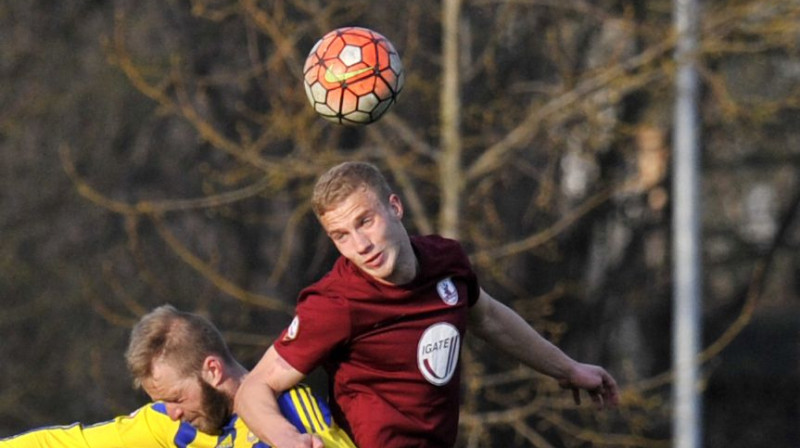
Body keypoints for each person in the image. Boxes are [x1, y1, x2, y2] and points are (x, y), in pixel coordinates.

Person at [235, 161, 620, 447]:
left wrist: (566, 369)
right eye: (341, 236)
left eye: (365, 221)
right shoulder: (337, 302)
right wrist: (286, 438)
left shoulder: (445, 261)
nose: (360, 246)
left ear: (395, 207)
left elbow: (489, 318)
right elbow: (253, 388)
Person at [0, 305, 355, 448]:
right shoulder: (170, 425)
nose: (171, 412)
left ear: (212, 370)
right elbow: (70, 444)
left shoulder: (287, 409)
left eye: (176, 398)